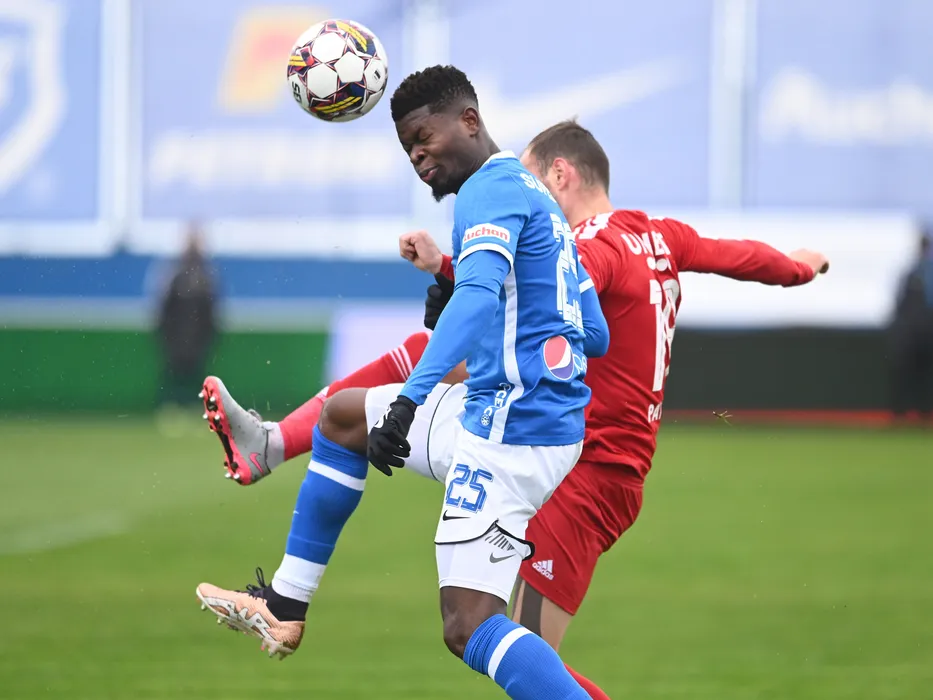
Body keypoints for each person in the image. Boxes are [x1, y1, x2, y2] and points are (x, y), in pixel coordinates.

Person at [198, 120, 829, 700]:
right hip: (594, 461)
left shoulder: (593, 246)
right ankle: (276, 452)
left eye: (532, 179)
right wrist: (800, 269)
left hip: (583, 470)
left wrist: (452, 269)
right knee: (508, 647)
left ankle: (274, 446)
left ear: (561, 174)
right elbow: (739, 256)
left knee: (515, 651)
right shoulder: (659, 236)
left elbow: (537, 285)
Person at [197, 66, 609, 700]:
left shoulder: (487, 191)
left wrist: (412, 399)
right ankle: (284, 604)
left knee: (468, 625)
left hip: (510, 434)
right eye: (407, 148)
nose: (418, 157)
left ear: (469, 121)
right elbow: (595, 332)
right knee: (343, 418)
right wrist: (477, 294)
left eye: (425, 138)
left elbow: (480, 297)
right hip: (514, 415)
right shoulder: (538, 201)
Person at [155, 224, 217, 407]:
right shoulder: (175, 274)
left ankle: (199, 406)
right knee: (174, 374)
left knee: (197, 375)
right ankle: (170, 404)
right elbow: (164, 307)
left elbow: (211, 310)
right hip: (176, 338)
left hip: (197, 339)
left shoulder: (206, 276)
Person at [889, 228, 933, 420]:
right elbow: (900, 304)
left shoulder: (919, 272)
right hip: (913, 332)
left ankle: (923, 412)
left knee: (925, 374)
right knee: (908, 373)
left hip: (924, 332)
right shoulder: (912, 272)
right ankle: (902, 413)